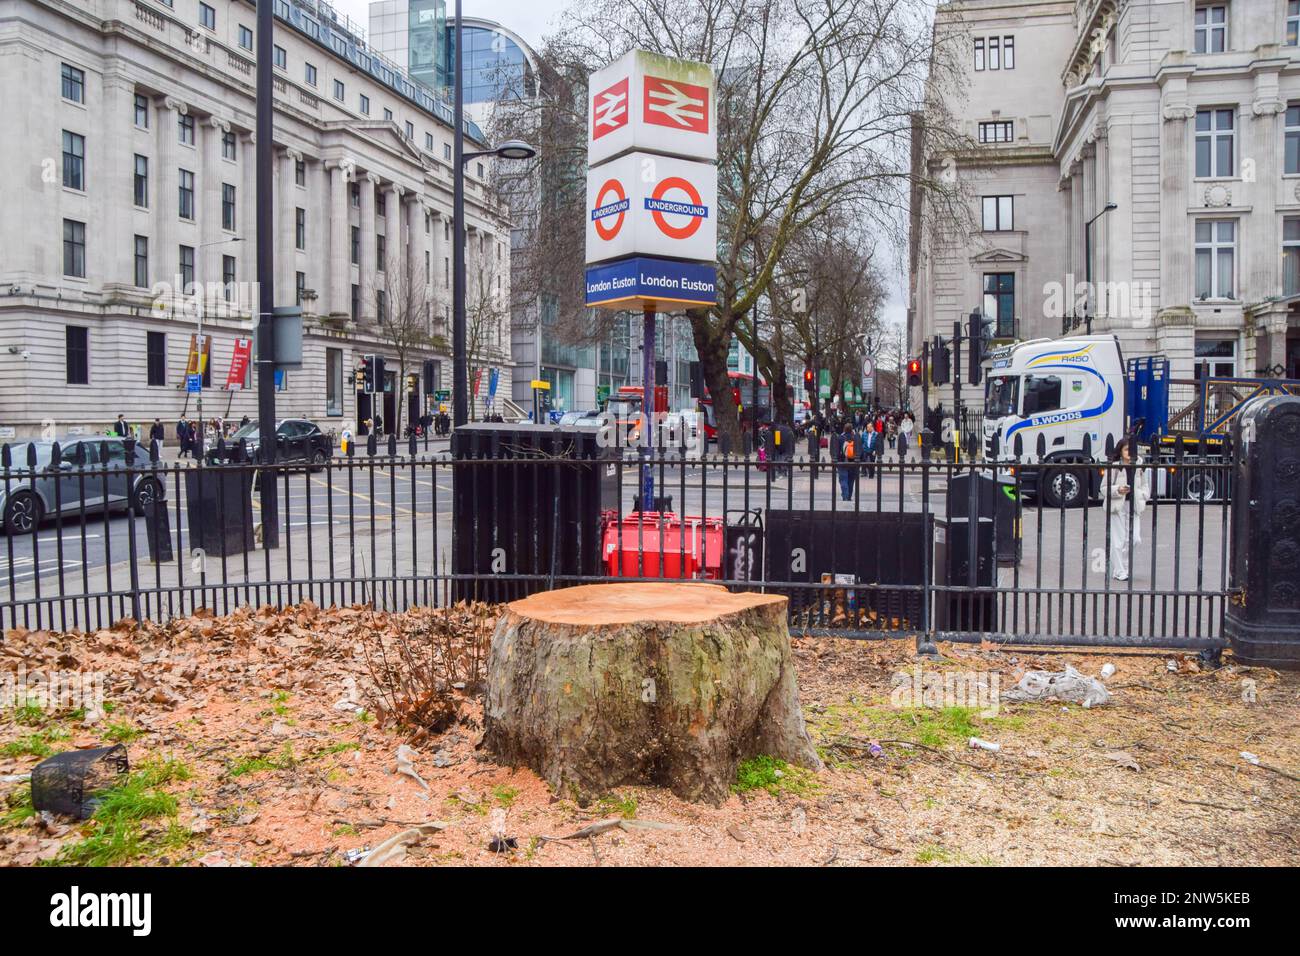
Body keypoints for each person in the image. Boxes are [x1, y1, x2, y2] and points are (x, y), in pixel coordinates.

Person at [1103, 441, 1150, 582]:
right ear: (1120, 451)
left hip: (1134, 505)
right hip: (1118, 506)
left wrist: (1142, 496)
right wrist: (1117, 490)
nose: (1129, 453)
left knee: (1135, 539)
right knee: (1118, 540)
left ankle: (1123, 567)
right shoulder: (1115, 467)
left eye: (1132, 450)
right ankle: (1119, 570)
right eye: (1126, 450)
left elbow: (1145, 486)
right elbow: (1103, 488)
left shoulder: (1140, 466)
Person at [832, 421, 857, 502]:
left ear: (844, 429)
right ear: (852, 429)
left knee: (843, 480)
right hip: (853, 462)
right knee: (851, 480)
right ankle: (849, 496)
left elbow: (836, 450)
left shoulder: (840, 438)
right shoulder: (855, 438)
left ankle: (845, 496)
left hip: (842, 462)